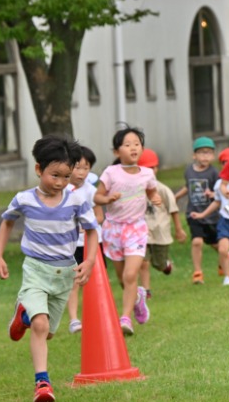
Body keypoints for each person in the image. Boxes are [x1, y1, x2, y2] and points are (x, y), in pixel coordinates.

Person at [0, 136, 98, 402]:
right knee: (41, 326)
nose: (60, 182)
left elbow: (91, 231)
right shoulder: (24, 199)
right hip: (36, 270)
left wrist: (89, 261)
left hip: (65, 274)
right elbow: (7, 223)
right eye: (54, 175)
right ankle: (42, 383)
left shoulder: (76, 201)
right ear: (39, 169)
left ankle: (23, 315)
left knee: (48, 331)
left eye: (66, 176)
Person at [95, 126, 163, 336]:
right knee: (123, 278)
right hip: (113, 229)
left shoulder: (147, 173)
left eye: (137, 144)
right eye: (127, 145)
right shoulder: (110, 172)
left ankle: (125, 318)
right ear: (117, 152)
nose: (133, 148)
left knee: (131, 273)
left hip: (136, 228)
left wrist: (154, 198)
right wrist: (107, 199)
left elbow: (151, 190)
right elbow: (97, 197)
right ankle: (138, 297)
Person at [138, 148, 187, 296]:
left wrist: (179, 229)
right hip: (142, 232)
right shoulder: (136, 189)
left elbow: (173, 210)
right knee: (143, 262)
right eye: (146, 168)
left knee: (158, 264)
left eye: (153, 167)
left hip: (160, 232)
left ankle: (165, 265)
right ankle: (146, 290)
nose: (151, 171)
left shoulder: (163, 190)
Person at [190, 147, 229, 286]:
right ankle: (228, 276)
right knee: (222, 249)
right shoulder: (220, 184)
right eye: (224, 162)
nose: (228, 165)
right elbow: (217, 202)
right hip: (225, 221)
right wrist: (202, 214)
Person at [65, 146, 103, 334]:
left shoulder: (90, 190)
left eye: (86, 168)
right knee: (74, 281)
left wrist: (88, 225)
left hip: (91, 244)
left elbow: (100, 215)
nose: (81, 172)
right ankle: (74, 319)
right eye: (77, 167)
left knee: (95, 281)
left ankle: (98, 317)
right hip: (72, 245)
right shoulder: (63, 190)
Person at [175, 137, 220, 284]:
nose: (205, 156)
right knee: (197, 242)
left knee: (217, 245)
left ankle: (224, 259)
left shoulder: (214, 173)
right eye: (201, 153)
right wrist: (175, 197)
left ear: (213, 155)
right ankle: (198, 272)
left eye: (208, 153)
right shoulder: (189, 170)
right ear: (194, 155)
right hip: (193, 214)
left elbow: (219, 193)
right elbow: (188, 187)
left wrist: (211, 194)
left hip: (211, 216)